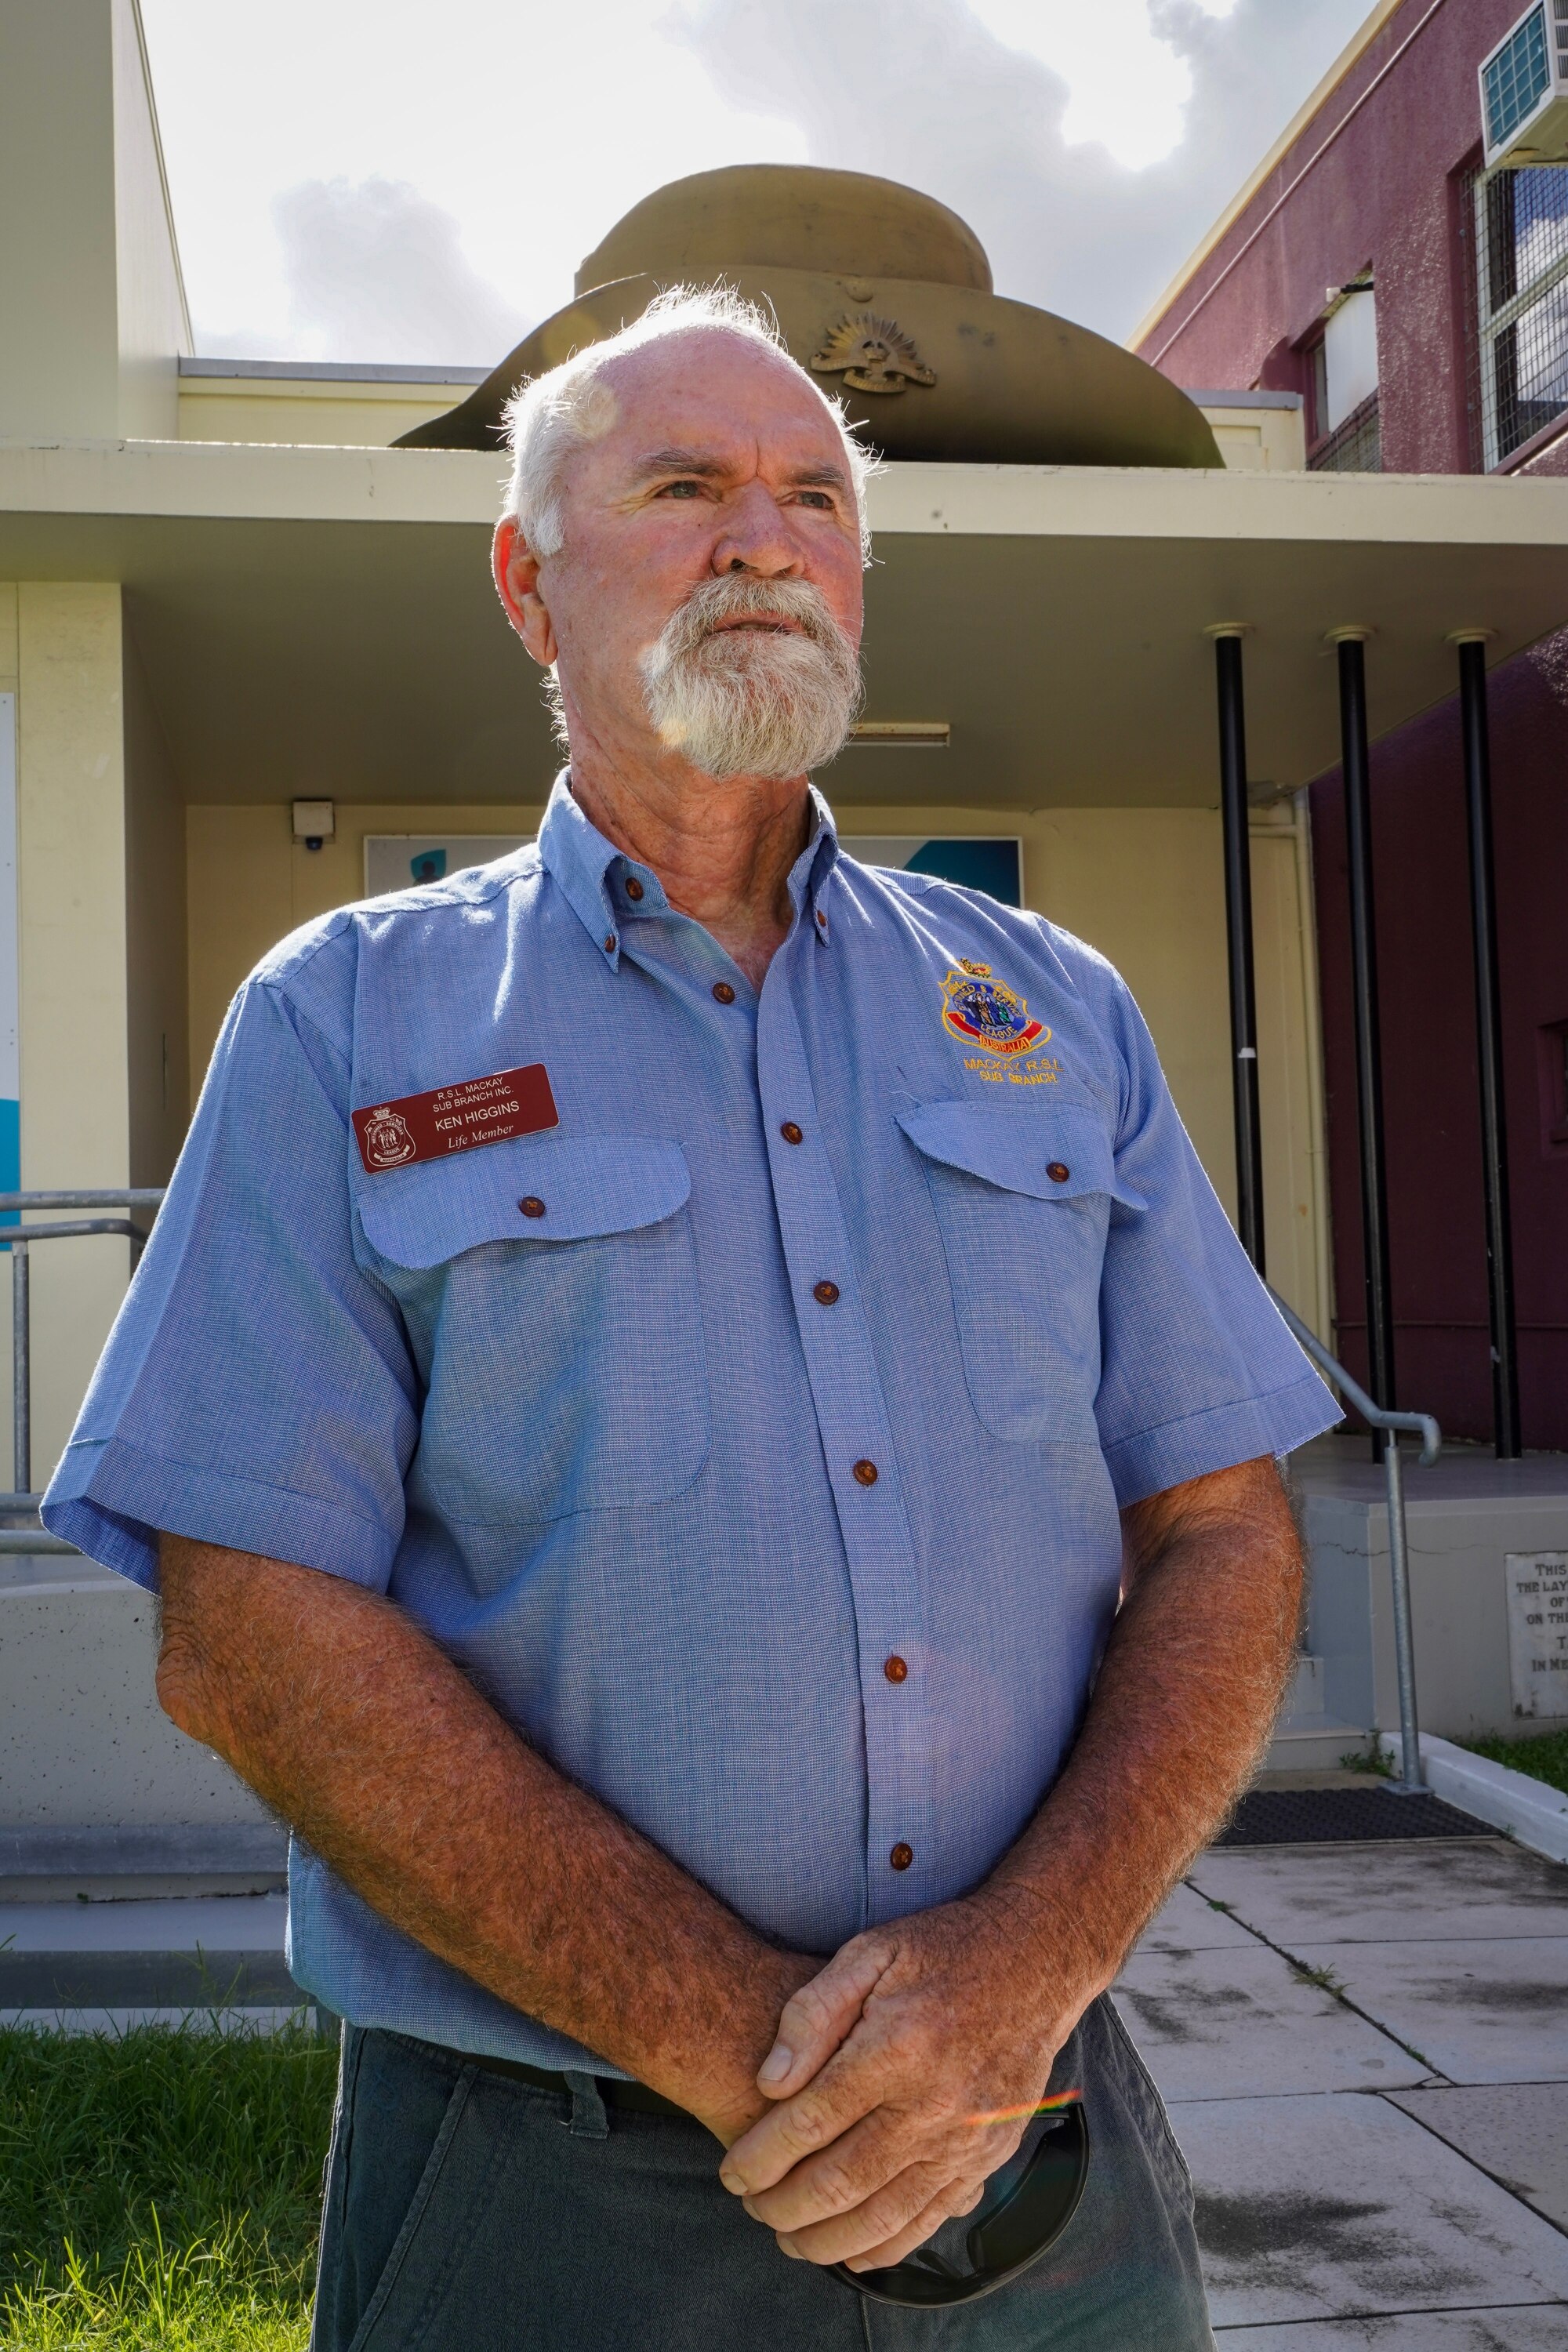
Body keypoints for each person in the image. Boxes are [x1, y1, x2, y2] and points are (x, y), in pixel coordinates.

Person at [44, 288, 1336, 2350]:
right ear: (526, 582)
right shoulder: (347, 1016)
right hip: (555, 2188)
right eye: (683, 486)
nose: (765, 536)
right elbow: (249, 1622)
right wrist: (757, 2050)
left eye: (815, 495)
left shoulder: (1052, 1014)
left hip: (1040, 2140)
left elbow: (1222, 1528)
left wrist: (1012, 1981)